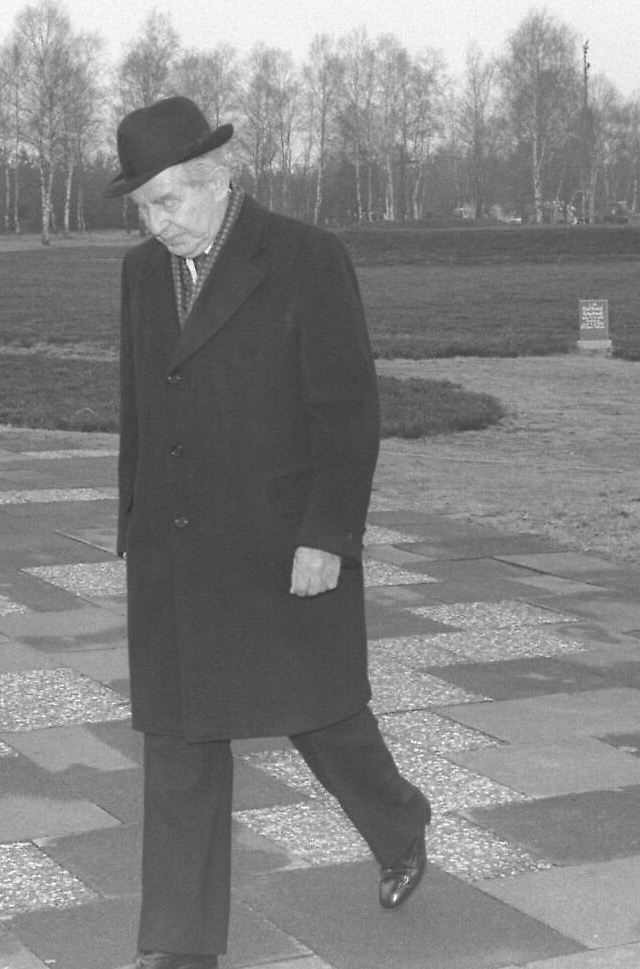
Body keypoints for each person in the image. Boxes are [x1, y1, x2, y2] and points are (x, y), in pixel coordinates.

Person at [107, 97, 431, 969]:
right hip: (176, 541)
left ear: (217, 177)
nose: (155, 223)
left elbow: (346, 410)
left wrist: (328, 533)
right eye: (142, 207)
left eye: (167, 200)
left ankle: (398, 821)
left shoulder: (304, 258)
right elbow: (142, 403)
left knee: (318, 714)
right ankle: (179, 947)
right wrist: (134, 521)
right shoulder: (141, 274)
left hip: (278, 537)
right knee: (180, 735)